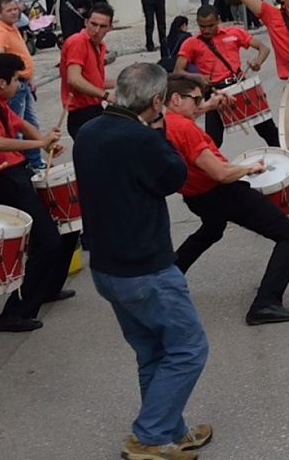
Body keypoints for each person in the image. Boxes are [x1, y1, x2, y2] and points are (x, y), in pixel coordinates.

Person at [74, 62, 212, 460]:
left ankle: (171, 430)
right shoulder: (142, 137)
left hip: (106, 266)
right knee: (189, 348)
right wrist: (162, 129)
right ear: (156, 102)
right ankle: (148, 438)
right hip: (145, 267)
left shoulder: (89, 131)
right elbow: (173, 177)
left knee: (153, 351)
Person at [161, 74, 289, 325]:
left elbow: (189, 116)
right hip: (220, 192)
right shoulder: (185, 129)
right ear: (176, 99)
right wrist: (249, 168)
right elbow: (221, 173)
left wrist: (210, 105)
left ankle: (166, 281)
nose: (199, 105)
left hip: (196, 197)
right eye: (196, 99)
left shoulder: (164, 122)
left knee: (212, 229)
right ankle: (265, 303)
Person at [0, 52, 76, 333]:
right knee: (47, 242)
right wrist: (39, 144)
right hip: (5, 180)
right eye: (16, 81)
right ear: (1, 82)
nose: (19, 86)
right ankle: (14, 313)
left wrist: (45, 142)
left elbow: (20, 125)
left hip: (18, 175)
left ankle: (46, 288)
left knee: (65, 232)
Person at [176, 6, 277, 149]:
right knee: (213, 141)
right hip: (215, 92)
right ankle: (210, 169)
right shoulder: (191, 43)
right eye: (202, 26)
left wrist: (257, 62)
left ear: (219, 20)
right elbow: (178, 71)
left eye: (211, 25)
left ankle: (288, 161)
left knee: (269, 131)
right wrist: (198, 77)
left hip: (239, 85)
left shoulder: (234, 33)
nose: (206, 30)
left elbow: (264, 49)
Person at [0, 0, 45, 171]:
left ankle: (36, 162)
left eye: (15, 9)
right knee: (17, 129)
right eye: (9, 10)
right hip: (16, 87)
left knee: (31, 125)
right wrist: (12, 79)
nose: (14, 12)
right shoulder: (1, 32)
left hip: (23, 84)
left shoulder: (13, 28)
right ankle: (21, 164)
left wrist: (30, 79)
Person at [60, 2, 117, 137]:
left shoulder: (99, 45)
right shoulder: (78, 41)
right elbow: (74, 79)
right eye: (93, 24)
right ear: (86, 22)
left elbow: (95, 82)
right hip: (81, 113)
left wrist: (123, 83)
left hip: (93, 109)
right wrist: (107, 96)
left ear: (110, 28)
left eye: (102, 26)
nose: (96, 30)